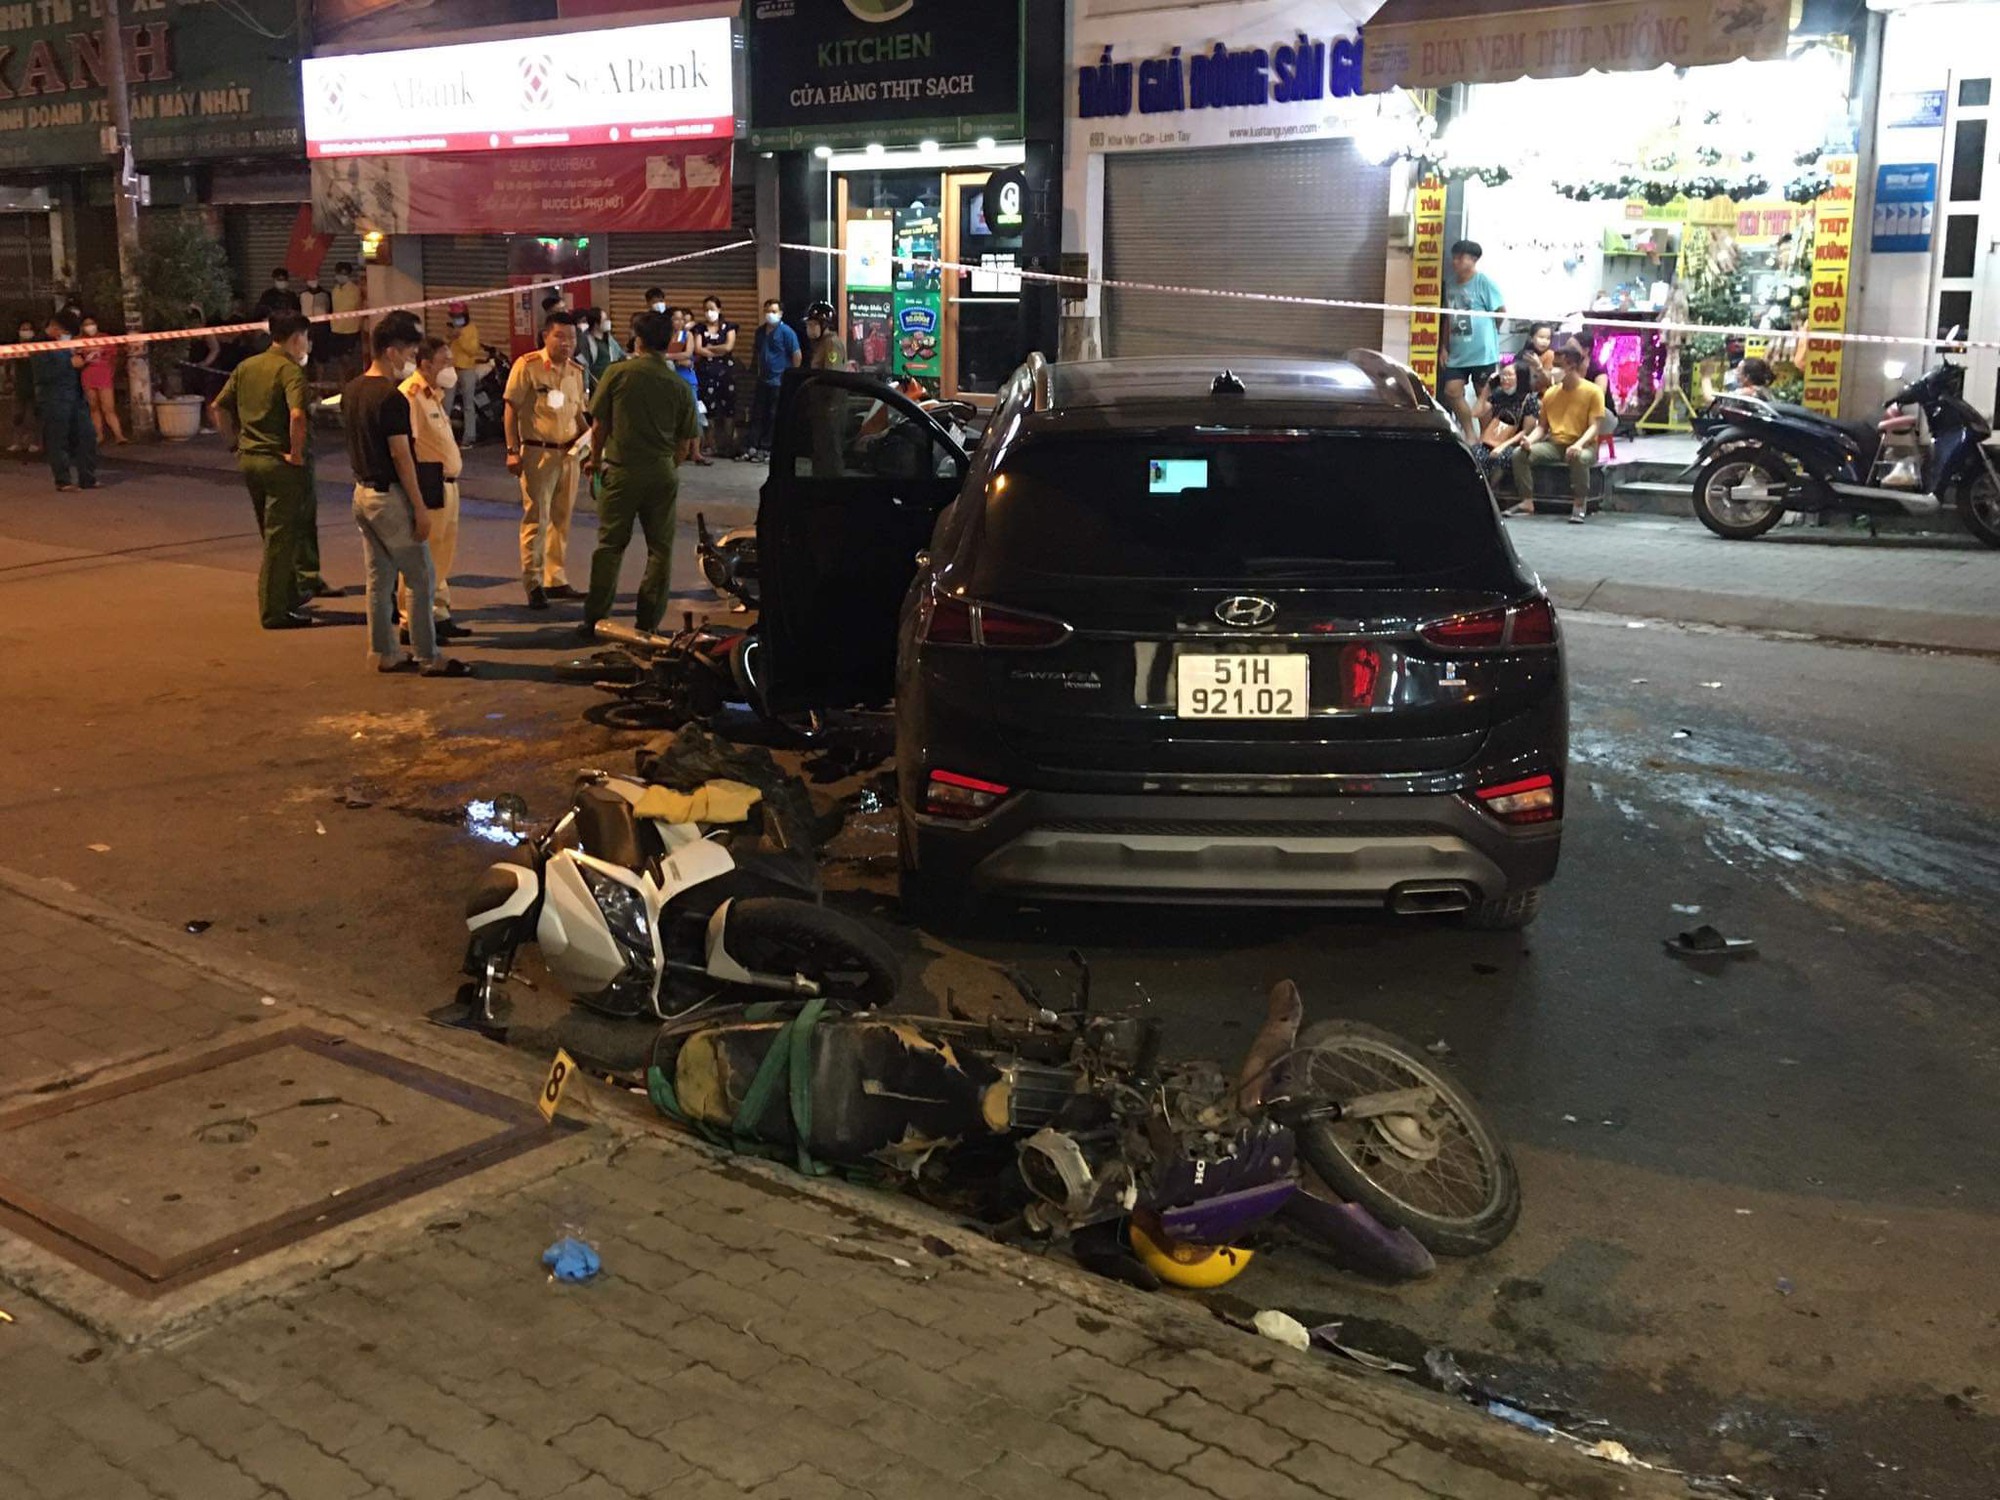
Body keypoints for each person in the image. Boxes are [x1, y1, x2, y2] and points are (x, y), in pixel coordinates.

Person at [343, 312, 466, 676]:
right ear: (392, 352)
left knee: (379, 579)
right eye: (410, 350)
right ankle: (429, 656)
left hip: (362, 494)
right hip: (390, 498)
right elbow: (401, 456)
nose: (412, 358)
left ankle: (383, 652)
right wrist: (420, 508)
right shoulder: (392, 397)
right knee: (421, 576)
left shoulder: (352, 389)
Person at [581, 310, 698, 639]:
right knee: (660, 550)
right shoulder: (678, 385)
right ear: (669, 342)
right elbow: (686, 443)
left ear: (639, 340)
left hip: (621, 471)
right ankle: (648, 622)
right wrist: (666, 466)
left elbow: (599, 424)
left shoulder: (618, 374)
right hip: (661, 472)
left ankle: (595, 619)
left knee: (609, 546)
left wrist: (594, 460)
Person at [213, 311, 318, 630]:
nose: (307, 346)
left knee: (270, 531)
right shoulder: (289, 371)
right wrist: (296, 454)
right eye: (306, 339)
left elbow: (218, 407)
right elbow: (297, 415)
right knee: (281, 537)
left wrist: (234, 444)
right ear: (297, 337)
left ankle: (287, 594)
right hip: (279, 462)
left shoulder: (247, 366)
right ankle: (274, 610)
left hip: (250, 460)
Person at [503, 310, 587, 609]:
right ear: (545, 336)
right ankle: (534, 582)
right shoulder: (528, 366)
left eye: (572, 338)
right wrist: (512, 451)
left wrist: (590, 448)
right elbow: (511, 409)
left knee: (562, 519)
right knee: (537, 519)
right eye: (560, 336)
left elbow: (578, 414)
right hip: (538, 453)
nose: (567, 343)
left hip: (570, 455)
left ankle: (556, 578)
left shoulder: (576, 371)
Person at [398, 336, 471, 643]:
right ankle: (410, 621)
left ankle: (438, 613)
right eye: (445, 362)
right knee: (421, 557)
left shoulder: (433, 395)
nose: (450, 368)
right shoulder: (411, 396)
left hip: (448, 486)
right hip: (428, 486)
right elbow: (405, 448)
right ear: (425, 363)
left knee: (442, 554)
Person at [1509, 344, 1606, 523]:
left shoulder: (1593, 392)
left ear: (1571, 366)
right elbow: (1542, 427)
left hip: (1584, 444)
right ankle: (1526, 501)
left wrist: (1578, 444)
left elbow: (1594, 427)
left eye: (1558, 365)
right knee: (1519, 454)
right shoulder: (1551, 393)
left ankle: (1579, 503)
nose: (1553, 369)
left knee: (1578, 456)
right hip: (1555, 444)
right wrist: (1529, 440)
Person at [1440, 240, 1505, 443]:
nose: (1456, 261)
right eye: (1455, 256)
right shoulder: (1449, 284)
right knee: (1451, 391)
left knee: (1483, 397)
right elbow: (1447, 318)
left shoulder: (1483, 282)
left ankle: (1487, 438)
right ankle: (1469, 433)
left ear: (1474, 260)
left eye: (1461, 257)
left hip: (1482, 352)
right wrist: (1444, 347)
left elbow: (1500, 312)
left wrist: (1489, 333)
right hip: (1458, 352)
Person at [30, 309, 95, 492]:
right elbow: (42, 374)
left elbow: (73, 364)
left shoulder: (64, 343)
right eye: (65, 332)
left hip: (76, 396)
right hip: (54, 398)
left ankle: (87, 478)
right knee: (58, 440)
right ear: (55, 327)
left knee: (86, 436)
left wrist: (83, 360)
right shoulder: (38, 344)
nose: (66, 336)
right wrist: (69, 364)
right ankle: (63, 480)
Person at [744, 299, 800, 461]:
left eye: (774, 311)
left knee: (773, 415)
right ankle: (753, 445)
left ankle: (767, 447)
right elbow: (757, 353)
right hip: (763, 380)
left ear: (781, 314)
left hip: (779, 382)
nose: (770, 314)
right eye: (767, 311)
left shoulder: (787, 332)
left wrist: (791, 377)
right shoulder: (760, 332)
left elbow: (796, 355)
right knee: (758, 413)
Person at [664, 307, 710, 466]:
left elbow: (687, 354)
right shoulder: (665, 336)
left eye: (681, 319)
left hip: (687, 378)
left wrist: (669, 357)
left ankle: (696, 452)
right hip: (669, 377)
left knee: (693, 415)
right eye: (675, 319)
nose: (679, 322)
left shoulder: (687, 335)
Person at [693, 294, 738, 459]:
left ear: (719, 309)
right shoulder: (699, 328)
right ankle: (710, 444)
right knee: (709, 409)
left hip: (726, 373)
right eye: (706, 310)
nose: (709, 313)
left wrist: (710, 349)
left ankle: (728, 445)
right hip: (706, 373)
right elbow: (698, 349)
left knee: (729, 409)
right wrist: (716, 349)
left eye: (712, 309)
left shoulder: (729, 327)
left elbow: (728, 347)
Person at [1473, 362, 1537, 472]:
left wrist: (1502, 446)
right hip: (1493, 440)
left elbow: (1526, 431)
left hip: (1515, 444)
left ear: (1520, 377)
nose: (1504, 378)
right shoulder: (1498, 395)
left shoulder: (1529, 399)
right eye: (1502, 375)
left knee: (1499, 458)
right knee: (1475, 453)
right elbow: (1476, 413)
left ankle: (1492, 487)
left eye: (1509, 375)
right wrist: (1487, 388)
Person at [78, 315, 126, 445]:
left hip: (104, 375)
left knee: (108, 407)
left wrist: (113, 370)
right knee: (93, 407)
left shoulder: (105, 338)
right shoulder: (78, 340)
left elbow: (115, 357)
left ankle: (119, 435)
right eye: (86, 324)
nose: (89, 327)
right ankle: (98, 435)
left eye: (91, 323)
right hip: (88, 375)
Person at [446, 302, 488, 444]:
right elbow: (444, 346)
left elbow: (473, 350)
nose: (456, 319)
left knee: (468, 404)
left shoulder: (471, 329)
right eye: (454, 316)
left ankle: (469, 437)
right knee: (446, 403)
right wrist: (450, 337)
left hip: (467, 369)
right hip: (451, 368)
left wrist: (460, 337)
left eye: (458, 316)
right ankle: (444, 436)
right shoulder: (450, 329)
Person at [328, 263, 365, 382]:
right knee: (339, 359)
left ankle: (351, 381)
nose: (341, 276)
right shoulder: (335, 290)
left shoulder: (355, 290)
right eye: (339, 273)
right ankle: (342, 385)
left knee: (347, 359)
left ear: (348, 275)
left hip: (351, 329)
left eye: (344, 273)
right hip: (336, 329)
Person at [8, 316, 39, 453]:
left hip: (34, 384)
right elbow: (9, 366)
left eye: (28, 329)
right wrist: (8, 380)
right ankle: (17, 442)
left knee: (33, 416)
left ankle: (34, 442)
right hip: (18, 385)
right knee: (17, 416)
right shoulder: (14, 347)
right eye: (23, 329)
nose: (26, 332)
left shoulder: (38, 346)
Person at [579, 308, 624, 389]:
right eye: (605, 320)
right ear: (596, 323)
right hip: (597, 384)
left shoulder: (609, 338)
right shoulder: (585, 341)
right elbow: (585, 365)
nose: (608, 322)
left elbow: (620, 354)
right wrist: (586, 388)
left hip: (611, 382)